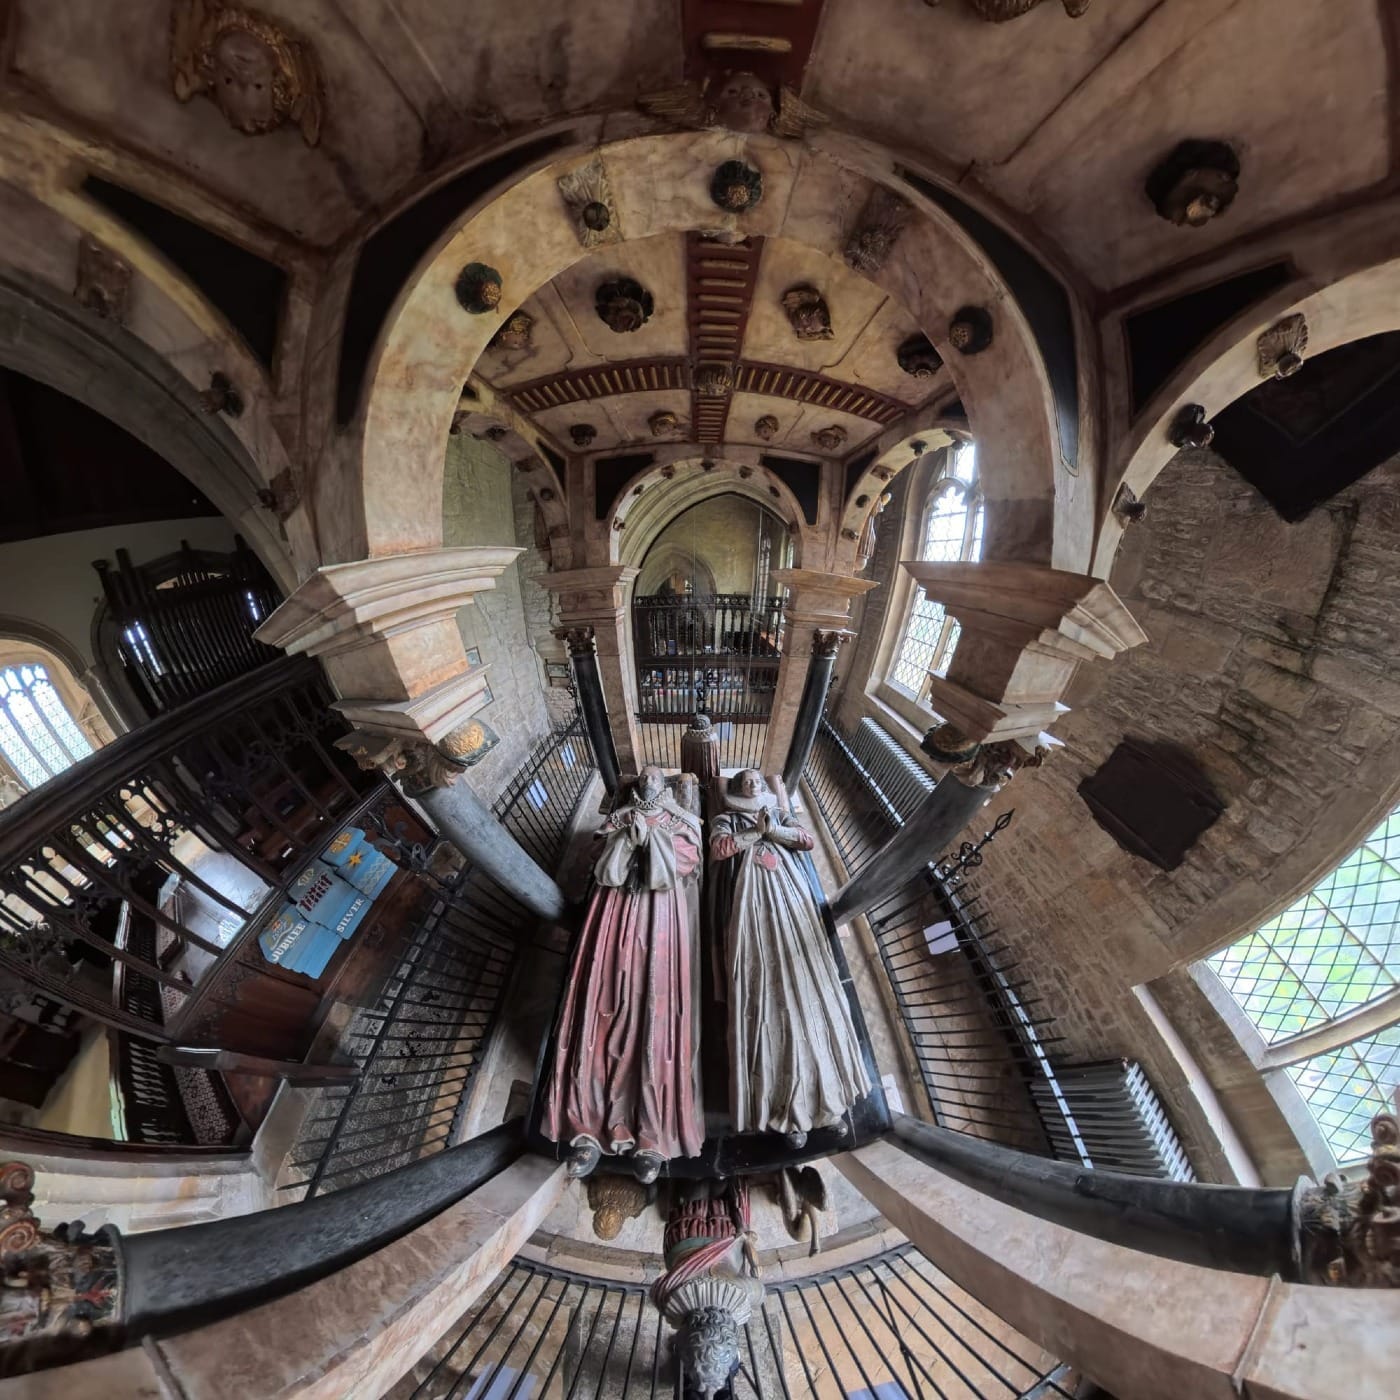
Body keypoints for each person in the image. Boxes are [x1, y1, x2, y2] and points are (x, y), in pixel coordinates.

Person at [542, 767, 705, 1182]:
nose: (649, 783)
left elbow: (688, 860)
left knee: (655, 1017)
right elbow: (596, 860)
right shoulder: (619, 817)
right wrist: (626, 839)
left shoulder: (682, 820)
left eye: (655, 779)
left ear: (665, 788)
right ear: (636, 787)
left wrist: (652, 841)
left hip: (659, 915)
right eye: (644, 779)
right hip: (612, 914)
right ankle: (584, 1128)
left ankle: (652, 1135)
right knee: (596, 1008)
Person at [709, 771, 870, 1146]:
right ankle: (784, 1109)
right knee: (763, 997)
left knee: (812, 994)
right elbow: (718, 850)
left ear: (764, 787)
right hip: (748, 904)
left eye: (756, 779)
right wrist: (754, 833)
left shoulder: (779, 812)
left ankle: (828, 1105)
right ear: (737, 788)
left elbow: (806, 841)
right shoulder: (727, 817)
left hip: (791, 898)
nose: (752, 783)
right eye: (745, 780)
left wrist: (775, 830)